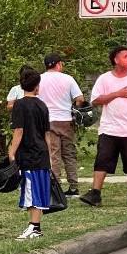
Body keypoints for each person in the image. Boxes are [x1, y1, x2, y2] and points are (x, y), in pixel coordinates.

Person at [81, 46, 127, 208]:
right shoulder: (104, 79)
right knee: (102, 161)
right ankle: (95, 194)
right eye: (125, 56)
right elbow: (95, 100)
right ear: (116, 60)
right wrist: (116, 94)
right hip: (109, 129)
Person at [8, 68, 52, 240]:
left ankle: (34, 227)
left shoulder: (19, 104)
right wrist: (49, 155)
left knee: (30, 191)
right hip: (42, 153)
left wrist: (12, 152)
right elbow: (47, 133)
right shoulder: (42, 105)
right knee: (39, 189)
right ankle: (36, 226)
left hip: (28, 154)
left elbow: (19, 131)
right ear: (37, 86)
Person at [39, 53, 86, 196]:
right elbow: (80, 99)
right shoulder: (68, 79)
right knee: (69, 154)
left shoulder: (39, 79)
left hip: (48, 121)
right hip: (66, 120)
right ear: (58, 64)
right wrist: (73, 108)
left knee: (53, 154)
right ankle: (73, 186)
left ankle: (55, 186)